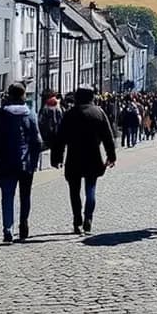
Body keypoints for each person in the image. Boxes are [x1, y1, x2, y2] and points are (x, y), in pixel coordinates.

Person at [51, 86, 116, 234]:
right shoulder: (98, 112)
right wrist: (111, 156)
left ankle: (77, 221)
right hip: (93, 156)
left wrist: (57, 158)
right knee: (91, 189)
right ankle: (88, 218)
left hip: (74, 157)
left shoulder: (70, 114)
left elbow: (60, 138)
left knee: (74, 191)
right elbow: (108, 136)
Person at [0, 83, 43, 243]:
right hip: (25, 164)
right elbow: (38, 141)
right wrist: (33, 160)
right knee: (25, 196)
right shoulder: (30, 114)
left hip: (5, 164)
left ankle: (8, 229)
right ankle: (23, 223)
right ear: (23, 96)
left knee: (7, 196)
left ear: (9, 96)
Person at [38, 92, 64, 169]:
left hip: (49, 131)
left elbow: (41, 121)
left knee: (52, 147)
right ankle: (60, 162)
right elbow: (62, 118)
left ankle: (53, 163)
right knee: (59, 147)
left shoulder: (45, 107)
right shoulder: (59, 107)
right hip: (59, 130)